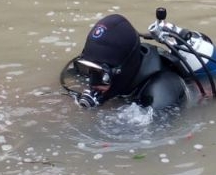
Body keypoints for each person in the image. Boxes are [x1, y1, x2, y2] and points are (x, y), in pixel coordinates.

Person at [65, 14, 196, 111]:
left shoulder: (160, 94)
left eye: (103, 74)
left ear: (123, 70)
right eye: (89, 68)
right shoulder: (98, 62)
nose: (92, 82)